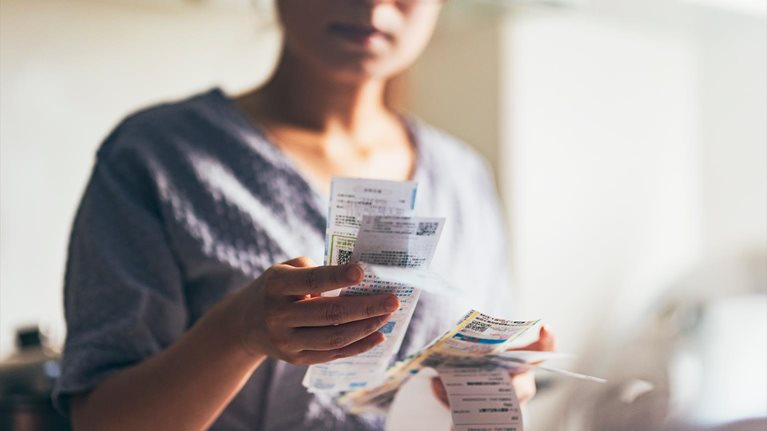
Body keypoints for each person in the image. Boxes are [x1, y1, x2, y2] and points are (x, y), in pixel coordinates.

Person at [53, 1, 555, 430]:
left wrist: (494, 385)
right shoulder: (156, 158)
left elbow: (475, 372)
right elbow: (103, 420)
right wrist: (237, 332)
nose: (373, 3)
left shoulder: (462, 175)